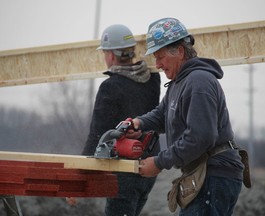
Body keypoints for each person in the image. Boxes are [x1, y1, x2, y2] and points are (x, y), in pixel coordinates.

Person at [123, 17, 247, 216]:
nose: (157, 64)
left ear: (179, 51)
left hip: (213, 175)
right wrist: (139, 123)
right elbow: (163, 115)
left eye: (160, 57)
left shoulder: (198, 82)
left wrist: (159, 162)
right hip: (205, 173)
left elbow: (200, 137)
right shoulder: (179, 83)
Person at [82, 24, 161, 216]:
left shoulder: (110, 87)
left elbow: (98, 134)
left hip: (124, 170)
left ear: (110, 55)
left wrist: (81, 175)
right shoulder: (152, 79)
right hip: (149, 167)